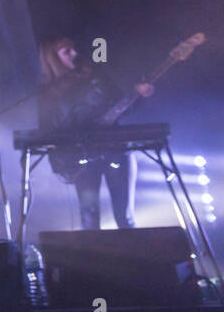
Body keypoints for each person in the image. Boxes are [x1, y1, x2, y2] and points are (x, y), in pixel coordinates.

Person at [37, 37, 154, 230]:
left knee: (125, 217)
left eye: (73, 49)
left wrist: (140, 97)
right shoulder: (48, 93)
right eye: (66, 52)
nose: (75, 54)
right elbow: (47, 130)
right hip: (82, 158)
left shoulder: (95, 77)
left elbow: (123, 108)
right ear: (53, 59)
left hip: (116, 151)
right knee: (89, 219)